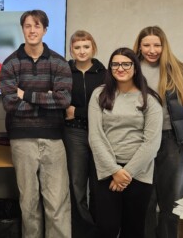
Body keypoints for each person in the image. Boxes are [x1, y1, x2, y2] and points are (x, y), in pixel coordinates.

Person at [0, 9, 72, 238]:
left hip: (54, 139)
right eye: (28, 26)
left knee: (57, 203)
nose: (32, 30)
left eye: (37, 26)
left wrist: (27, 94)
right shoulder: (10, 64)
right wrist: (46, 98)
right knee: (28, 203)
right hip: (22, 140)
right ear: (22, 29)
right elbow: (10, 104)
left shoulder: (59, 62)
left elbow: (63, 100)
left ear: (45, 30)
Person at [132, 26, 183, 238]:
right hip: (140, 141)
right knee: (143, 202)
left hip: (172, 143)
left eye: (157, 45)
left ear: (164, 46)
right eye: (146, 45)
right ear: (139, 46)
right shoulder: (130, 70)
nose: (152, 50)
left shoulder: (181, 71)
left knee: (170, 203)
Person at [88, 47, 163, 238]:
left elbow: (151, 143)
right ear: (110, 68)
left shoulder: (150, 99)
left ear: (135, 68)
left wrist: (126, 173)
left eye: (126, 64)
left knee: (134, 229)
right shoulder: (99, 95)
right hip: (106, 171)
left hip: (139, 173)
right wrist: (114, 171)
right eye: (115, 64)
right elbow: (95, 136)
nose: (120, 68)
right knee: (106, 228)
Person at [63, 30, 105, 238]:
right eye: (77, 47)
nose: (82, 51)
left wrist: (77, 111)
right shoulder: (64, 72)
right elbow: (61, 105)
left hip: (101, 134)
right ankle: (82, 231)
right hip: (74, 134)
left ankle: (98, 230)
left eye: (86, 47)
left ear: (93, 48)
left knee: (98, 185)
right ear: (71, 49)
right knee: (77, 185)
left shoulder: (104, 73)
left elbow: (108, 107)